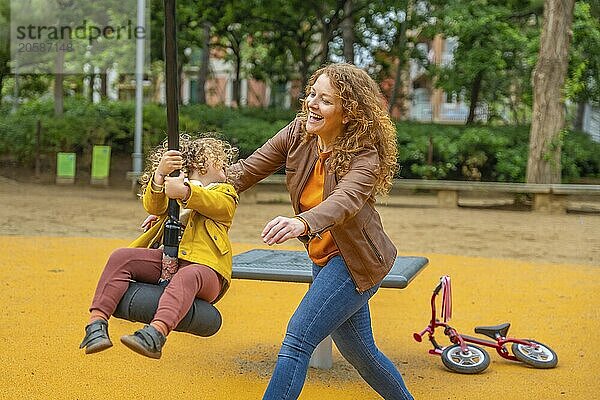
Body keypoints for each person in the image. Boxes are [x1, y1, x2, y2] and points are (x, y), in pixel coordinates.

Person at [228, 63, 413, 399]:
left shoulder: (364, 155)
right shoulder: (298, 134)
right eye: (312, 94)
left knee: (298, 338)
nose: (312, 103)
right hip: (324, 258)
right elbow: (244, 171)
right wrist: (193, 193)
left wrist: (302, 222)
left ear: (348, 113)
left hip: (356, 261)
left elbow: (345, 201)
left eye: (325, 100)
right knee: (363, 354)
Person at [79, 134, 239, 359]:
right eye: (219, 161)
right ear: (198, 164)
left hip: (207, 271)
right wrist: (161, 175)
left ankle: (155, 335)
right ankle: (96, 326)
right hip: (167, 259)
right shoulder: (171, 187)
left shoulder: (224, 192)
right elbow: (152, 205)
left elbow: (218, 206)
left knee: (187, 276)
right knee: (121, 257)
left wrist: (185, 191)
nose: (225, 167)